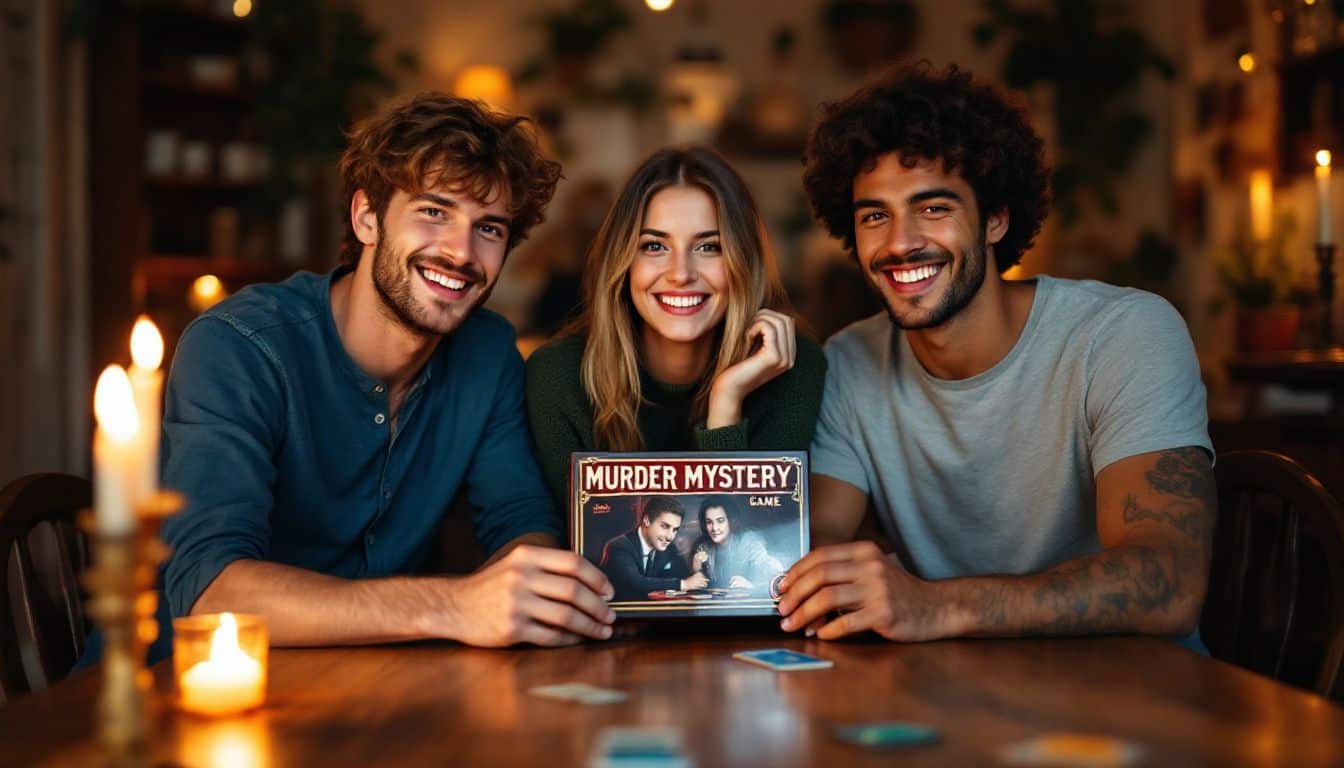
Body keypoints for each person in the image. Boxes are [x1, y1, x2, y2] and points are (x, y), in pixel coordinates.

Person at [776, 65, 1215, 645]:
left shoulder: (1123, 334)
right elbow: (820, 541)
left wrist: (935, 606)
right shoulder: (851, 362)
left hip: (1135, 698)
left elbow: (1170, 580)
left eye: (934, 208)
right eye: (874, 216)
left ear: (996, 219)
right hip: (951, 700)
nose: (901, 242)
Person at [159, 93, 615, 648]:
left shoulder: (487, 354)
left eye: (489, 228)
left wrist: (528, 591)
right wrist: (451, 606)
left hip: (379, 692)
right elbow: (211, 593)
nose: (460, 252)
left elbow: (519, 519)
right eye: (433, 211)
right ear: (366, 217)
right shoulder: (240, 348)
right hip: (182, 690)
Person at [525, 148, 826, 504]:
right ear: (622, 262)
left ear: (744, 261)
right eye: (654, 246)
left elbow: (742, 543)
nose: (681, 273)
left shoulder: (793, 367)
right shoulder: (559, 376)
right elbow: (574, 541)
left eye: (709, 247)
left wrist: (726, 402)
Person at [599, 496, 704, 601]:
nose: (670, 537)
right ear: (647, 521)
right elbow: (636, 583)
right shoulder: (618, 547)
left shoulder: (669, 548)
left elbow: (687, 579)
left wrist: (695, 569)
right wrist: (682, 584)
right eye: (665, 526)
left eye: (675, 529)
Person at [690, 496, 785, 593]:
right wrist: (696, 570)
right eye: (709, 522)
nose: (714, 528)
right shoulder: (703, 547)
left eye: (720, 521)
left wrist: (752, 586)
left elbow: (778, 579)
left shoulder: (749, 542)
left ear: (731, 521)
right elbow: (701, 585)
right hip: (718, 605)